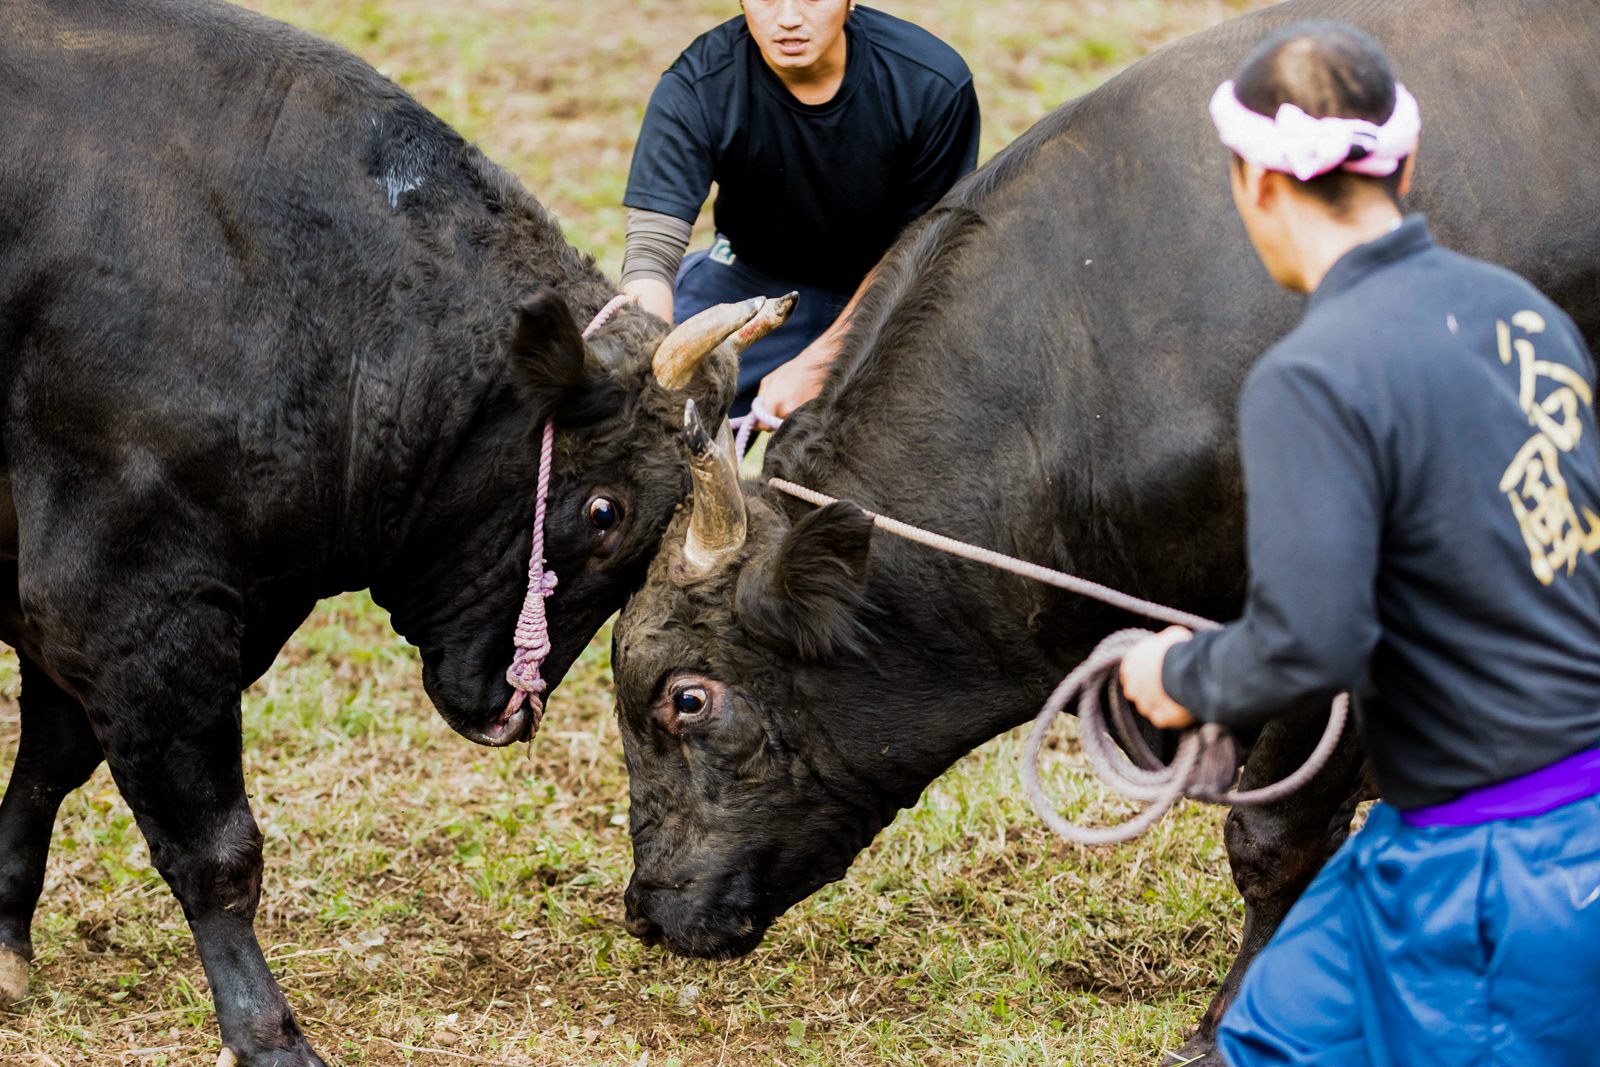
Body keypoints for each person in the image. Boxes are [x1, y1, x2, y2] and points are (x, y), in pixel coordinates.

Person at [1117, 20, 1600, 1067]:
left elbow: (1309, 641)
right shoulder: (1525, 315)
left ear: (1250, 181)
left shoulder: (1313, 372)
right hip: (1461, 826)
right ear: (1407, 162)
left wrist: (1175, 672)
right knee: (1272, 1035)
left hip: (1497, 867)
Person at [620, 1, 979, 420]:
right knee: (638, 408)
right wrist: (653, 371)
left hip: (894, 292)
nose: (788, 17)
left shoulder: (931, 83)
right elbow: (650, 255)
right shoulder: (697, 85)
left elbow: (925, 253)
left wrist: (821, 361)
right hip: (750, 280)